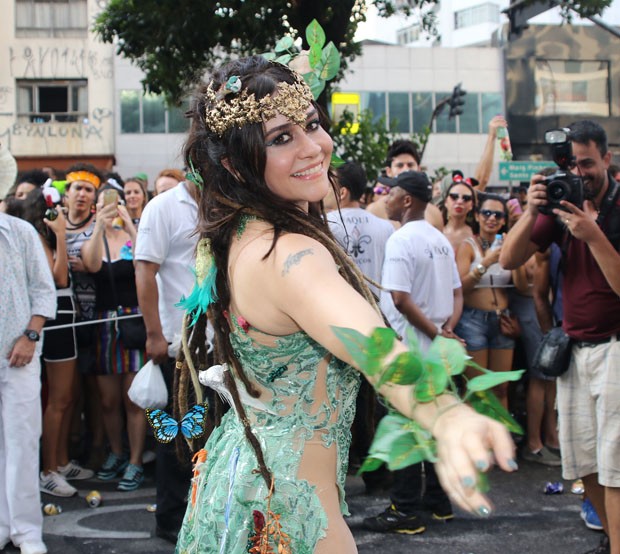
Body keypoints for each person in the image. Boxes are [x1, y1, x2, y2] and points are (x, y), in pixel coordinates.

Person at [173, 56, 517, 554]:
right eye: (281, 138)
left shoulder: (240, 233)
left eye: (311, 124)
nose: (314, 147)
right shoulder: (289, 253)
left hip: (240, 486)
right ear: (233, 163)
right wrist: (446, 414)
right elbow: (373, 345)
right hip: (294, 515)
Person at [500, 120, 620, 554]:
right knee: (584, 464)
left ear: (607, 158)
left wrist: (593, 234)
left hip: (615, 349)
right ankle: (611, 538)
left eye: (588, 163)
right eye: (572, 163)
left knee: (614, 468)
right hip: (574, 350)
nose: (580, 172)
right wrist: (532, 210)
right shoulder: (561, 201)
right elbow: (510, 258)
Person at [364, 170, 463, 534]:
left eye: (390, 192)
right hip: (439, 346)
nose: (384, 197)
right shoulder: (438, 239)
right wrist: (448, 330)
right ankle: (439, 502)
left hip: (412, 346)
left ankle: (404, 509)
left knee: (404, 427)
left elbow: (400, 300)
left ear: (406, 200)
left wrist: (437, 332)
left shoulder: (401, 240)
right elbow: (457, 293)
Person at [5, 190, 94, 497]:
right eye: (52, 209)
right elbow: (57, 278)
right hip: (53, 319)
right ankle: (48, 470)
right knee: (58, 398)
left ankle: (61, 460)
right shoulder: (36, 239)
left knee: (68, 396)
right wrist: (58, 236)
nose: (58, 213)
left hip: (65, 316)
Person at [134, 173, 200, 542]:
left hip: (217, 342)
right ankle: (171, 519)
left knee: (210, 434)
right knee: (178, 436)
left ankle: (204, 513)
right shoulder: (162, 208)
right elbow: (144, 270)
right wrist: (155, 333)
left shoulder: (224, 201)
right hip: (177, 345)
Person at [81, 185, 146, 491]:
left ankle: (134, 460)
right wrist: (98, 226)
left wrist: (128, 223)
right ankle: (116, 453)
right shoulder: (95, 238)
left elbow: (142, 264)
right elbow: (92, 264)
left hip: (133, 321)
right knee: (107, 400)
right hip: (104, 324)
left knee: (133, 399)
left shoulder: (131, 238)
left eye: (115, 201)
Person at [0, 209, 56, 554]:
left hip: (19, 352)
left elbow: (43, 288)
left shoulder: (20, 232)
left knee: (22, 439)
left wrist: (30, 335)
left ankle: (26, 530)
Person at [454, 195, 522, 408]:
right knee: (477, 388)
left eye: (498, 215)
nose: (492, 218)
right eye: (486, 213)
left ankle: (500, 438)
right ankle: (475, 440)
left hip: (502, 320)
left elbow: (520, 286)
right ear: (477, 216)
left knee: (501, 387)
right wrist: (485, 263)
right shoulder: (467, 246)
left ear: (503, 220)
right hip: (473, 319)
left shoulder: (508, 244)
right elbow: (460, 288)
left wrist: (515, 254)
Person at [325, 161, 394, 296]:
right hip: (378, 310)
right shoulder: (386, 227)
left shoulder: (324, 225)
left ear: (342, 192)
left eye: (328, 186)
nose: (324, 191)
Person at [367, 140, 444, 231]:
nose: (406, 169)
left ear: (419, 169)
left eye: (410, 165)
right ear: (389, 171)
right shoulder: (374, 211)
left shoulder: (434, 213)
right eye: (400, 165)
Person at [442, 178, 477, 252]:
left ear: (472, 205)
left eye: (466, 198)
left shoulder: (477, 234)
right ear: (446, 202)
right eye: (454, 197)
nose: (460, 201)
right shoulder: (436, 231)